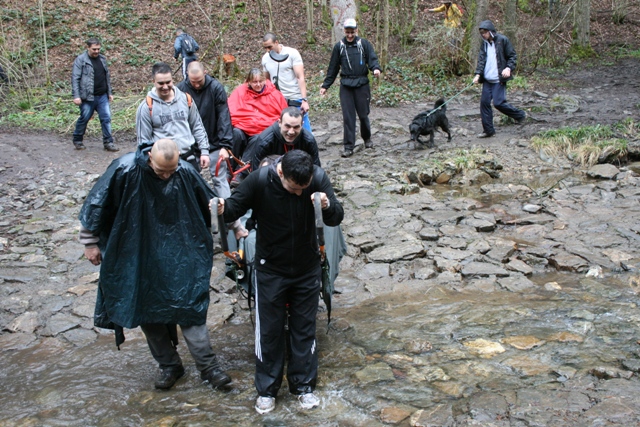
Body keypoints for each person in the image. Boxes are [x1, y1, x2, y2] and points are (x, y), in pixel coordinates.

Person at [78, 138, 232, 391]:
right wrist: (89, 242)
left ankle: (209, 368)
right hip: (136, 250)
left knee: (190, 305)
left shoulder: (184, 171)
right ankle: (169, 365)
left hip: (182, 249)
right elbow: (96, 204)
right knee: (145, 307)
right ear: (150, 157)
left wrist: (233, 225)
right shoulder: (125, 168)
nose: (166, 177)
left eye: (171, 172)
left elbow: (211, 204)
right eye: (162, 171)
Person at [215, 150, 344, 414]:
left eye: (303, 188)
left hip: (307, 268)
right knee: (269, 332)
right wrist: (221, 207)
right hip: (270, 269)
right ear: (281, 172)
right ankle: (266, 391)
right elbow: (233, 208)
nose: (298, 193)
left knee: (304, 329)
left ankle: (304, 387)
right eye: (293, 188)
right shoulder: (260, 180)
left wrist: (327, 206)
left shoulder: (317, 177)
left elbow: (337, 216)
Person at [177, 61, 247, 239]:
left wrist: (225, 146)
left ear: (205, 73)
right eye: (193, 82)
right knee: (189, 183)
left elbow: (224, 117)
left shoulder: (215, 88)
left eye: (199, 81)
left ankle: (235, 224)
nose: (196, 85)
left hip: (215, 142)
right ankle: (196, 224)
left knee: (220, 179)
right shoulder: (180, 90)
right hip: (189, 145)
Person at [320, 19, 381, 158]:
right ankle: (348, 147)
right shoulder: (339, 47)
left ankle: (367, 139)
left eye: (352, 32)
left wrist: (375, 69)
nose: (349, 35)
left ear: (356, 31)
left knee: (363, 114)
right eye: (347, 32)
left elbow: (372, 59)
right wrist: (325, 85)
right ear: (344, 31)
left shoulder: (363, 44)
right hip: (346, 86)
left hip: (362, 84)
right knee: (348, 117)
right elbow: (333, 68)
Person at [136, 62, 210, 171]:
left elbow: (197, 126)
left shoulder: (186, 99)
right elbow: (143, 141)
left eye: (168, 82)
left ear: (172, 79)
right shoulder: (146, 107)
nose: (165, 87)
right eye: (161, 83)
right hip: (164, 164)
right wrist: (149, 163)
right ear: (153, 82)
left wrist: (204, 151)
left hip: (188, 158)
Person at [472, 20, 526, 138]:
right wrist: (477, 74)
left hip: (498, 79)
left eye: (485, 32)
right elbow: (481, 60)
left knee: (498, 103)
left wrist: (508, 68)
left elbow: (512, 56)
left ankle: (520, 115)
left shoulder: (503, 40)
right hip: (487, 80)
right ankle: (488, 130)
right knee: (484, 103)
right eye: (481, 33)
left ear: (491, 31)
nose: (483, 35)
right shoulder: (484, 44)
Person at [227, 68, 288, 167]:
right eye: (255, 82)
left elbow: (283, 115)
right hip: (243, 128)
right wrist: (250, 122)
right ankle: (229, 168)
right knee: (236, 134)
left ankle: (242, 170)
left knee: (257, 138)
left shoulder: (274, 94)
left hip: (262, 131)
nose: (258, 84)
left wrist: (258, 123)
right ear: (249, 82)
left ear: (265, 80)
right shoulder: (240, 92)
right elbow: (232, 111)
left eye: (261, 81)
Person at [71, 37, 119, 152]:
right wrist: (76, 96)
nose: (96, 51)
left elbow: (106, 77)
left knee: (106, 118)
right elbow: (75, 78)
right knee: (85, 118)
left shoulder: (102, 59)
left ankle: (108, 142)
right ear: (88, 48)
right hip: (87, 97)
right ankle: (77, 140)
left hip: (102, 96)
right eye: (94, 49)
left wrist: (109, 92)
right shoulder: (81, 60)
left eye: (98, 49)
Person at [247, 107, 321, 177]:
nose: (291, 132)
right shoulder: (265, 140)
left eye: (296, 127)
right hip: (272, 179)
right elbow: (256, 173)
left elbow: (317, 170)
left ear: (302, 125)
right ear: (279, 122)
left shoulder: (309, 140)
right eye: (287, 126)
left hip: (298, 179)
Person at [261, 33, 312, 132]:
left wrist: (304, 100)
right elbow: (267, 81)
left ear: (276, 42)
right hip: (277, 101)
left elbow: (300, 77)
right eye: (265, 48)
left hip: (294, 98)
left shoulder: (292, 53)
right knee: (283, 131)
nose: (268, 50)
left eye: (269, 47)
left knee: (304, 131)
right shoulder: (265, 58)